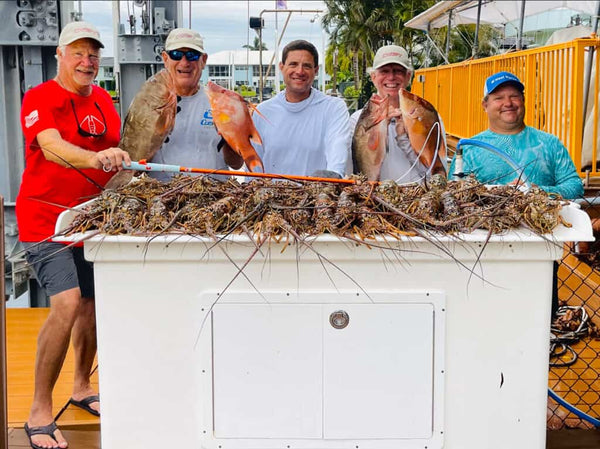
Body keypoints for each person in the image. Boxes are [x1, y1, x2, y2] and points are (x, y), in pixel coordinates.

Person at [16, 21, 131, 449]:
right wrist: (98, 157)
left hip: (90, 221)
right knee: (65, 304)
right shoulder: (40, 97)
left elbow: (115, 162)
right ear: (60, 56)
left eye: (93, 54)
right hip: (46, 221)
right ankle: (39, 411)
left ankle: (81, 387)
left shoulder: (103, 99)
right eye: (78, 53)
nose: (87, 61)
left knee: (90, 304)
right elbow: (52, 147)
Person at [449, 71, 583, 199]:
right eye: (498, 98)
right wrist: (500, 194)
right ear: (485, 105)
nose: (508, 103)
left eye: (514, 96)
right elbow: (454, 194)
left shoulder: (549, 143)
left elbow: (575, 187)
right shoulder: (469, 149)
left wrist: (538, 191)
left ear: (523, 100)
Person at [149, 28, 242, 181]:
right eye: (176, 55)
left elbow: (236, 164)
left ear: (203, 60)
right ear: (165, 59)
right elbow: (136, 167)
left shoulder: (221, 102)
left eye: (192, 55)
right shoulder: (148, 103)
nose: (185, 62)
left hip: (213, 196)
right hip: (160, 195)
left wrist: (230, 134)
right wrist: (154, 134)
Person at [251, 39, 350, 178]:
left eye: (307, 66)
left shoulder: (333, 108)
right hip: (269, 197)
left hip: (317, 196)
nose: (300, 71)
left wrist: (334, 177)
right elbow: (254, 166)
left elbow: (337, 149)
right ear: (281, 67)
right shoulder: (262, 111)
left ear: (316, 70)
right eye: (293, 64)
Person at [348, 44, 444, 182]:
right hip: (374, 200)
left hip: (418, 199)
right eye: (384, 71)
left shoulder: (427, 117)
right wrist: (379, 130)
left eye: (398, 71)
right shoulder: (357, 120)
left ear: (408, 76)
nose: (391, 77)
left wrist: (403, 138)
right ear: (373, 77)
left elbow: (436, 177)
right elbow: (357, 174)